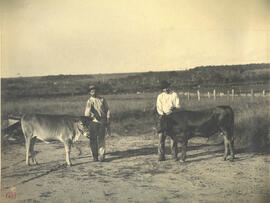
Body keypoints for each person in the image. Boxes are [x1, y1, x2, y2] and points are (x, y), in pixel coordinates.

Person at [156, 80, 180, 161]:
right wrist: (163, 114)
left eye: (166, 87)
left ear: (169, 87)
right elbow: (158, 107)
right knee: (161, 137)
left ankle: (174, 155)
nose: (165, 89)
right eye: (164, 88)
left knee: (173, 137)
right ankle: (161, 156)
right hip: (163, 117)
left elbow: (178, 105)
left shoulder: (174, 94)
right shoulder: (160, 96)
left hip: (173, 117)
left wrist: (173, 110)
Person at [85, 85, 110, 162]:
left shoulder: (102, 99)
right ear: (89, 92)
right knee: (93, 140)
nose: (93, 92)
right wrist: (87, 121)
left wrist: (108, 118)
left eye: (95, 90)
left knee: (101, 139)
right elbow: (87, 113)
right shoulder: (89, 101)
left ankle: (102, 155)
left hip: (102, 121)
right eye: (92, 91)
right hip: (93, 122)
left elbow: (107, 109)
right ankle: (95, 156)